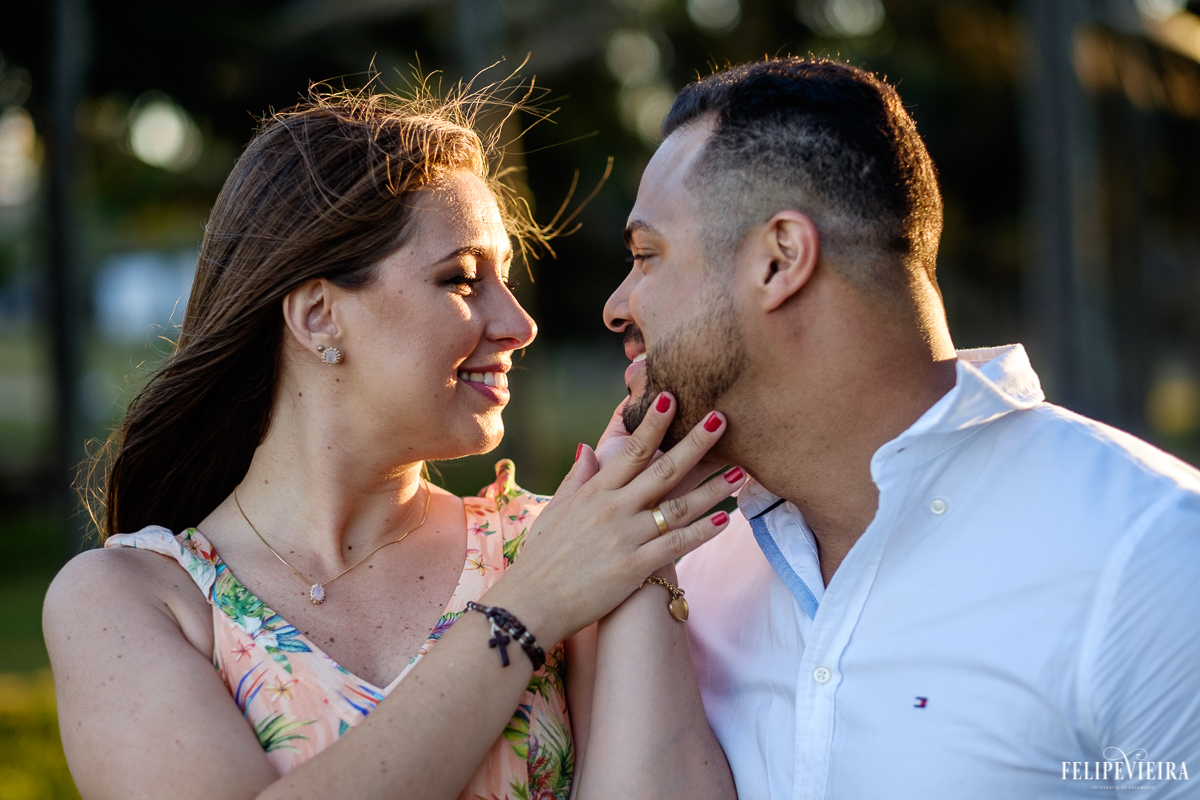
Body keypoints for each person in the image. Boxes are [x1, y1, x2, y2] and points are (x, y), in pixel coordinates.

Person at [43, 84, 741, 800]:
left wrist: (636, 519)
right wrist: (526, 610)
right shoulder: (132, 601)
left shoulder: (565, 543)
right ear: (319, 316)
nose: (518, 324)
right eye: (463, 278)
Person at [601, 57, 1200, 798]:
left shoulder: (1149, 557)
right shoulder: (689, 573)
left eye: (644, 257)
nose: (618, 307)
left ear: (779, 259)